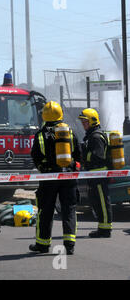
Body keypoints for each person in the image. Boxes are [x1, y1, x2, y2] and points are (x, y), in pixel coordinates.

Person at [29, 101, 81, 255]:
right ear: (60, 114)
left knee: (45, 211)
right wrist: (73, 167)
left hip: (49, 177)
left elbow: (36, 156)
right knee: (69, 210)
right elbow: (79, 154)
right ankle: (69, 244)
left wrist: (43, 168)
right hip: (68, 177)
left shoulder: (40, 135)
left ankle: (43, 244)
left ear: (44, 115)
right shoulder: (69, 132)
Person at [78, 108, 112, 238]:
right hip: (93, 175)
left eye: (85, 121)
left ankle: (106, 229)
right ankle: (101, 227)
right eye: (82, 122)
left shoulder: (96, 137)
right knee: (96, 202)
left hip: (99, 175)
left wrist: (84, 155)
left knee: (103, 202)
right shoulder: (91, 136)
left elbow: (98, 156)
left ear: (92, 121)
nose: (83, 124)